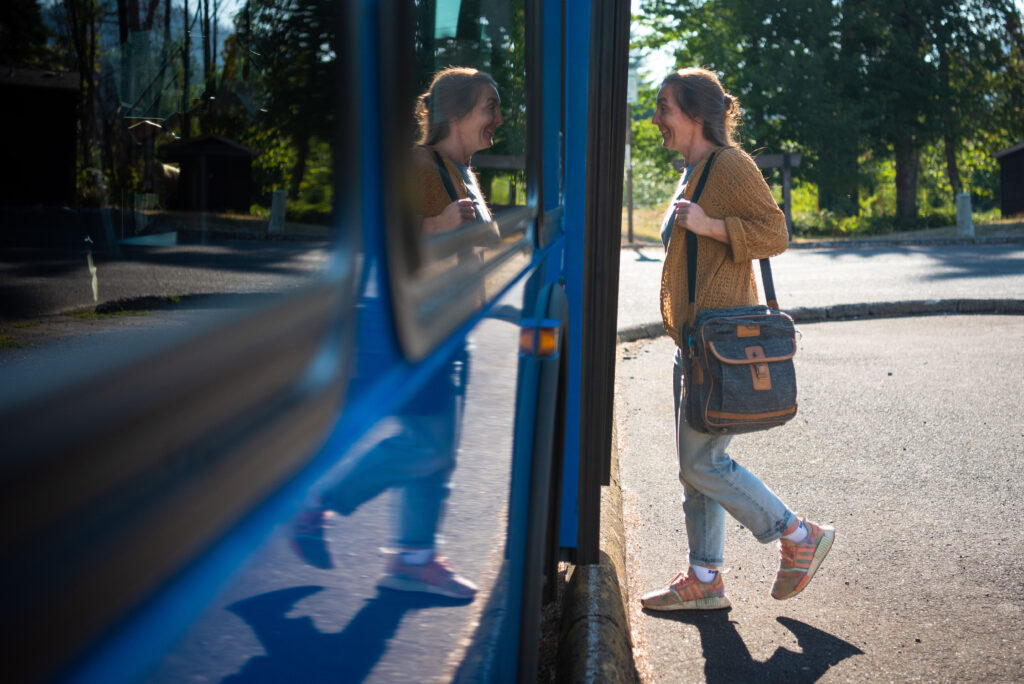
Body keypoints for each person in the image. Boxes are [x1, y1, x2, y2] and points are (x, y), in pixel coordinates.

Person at [289, 67, 503, 601]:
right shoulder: (419, 166)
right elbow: (381, 237)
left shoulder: (457, 168)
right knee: (426, 448)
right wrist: (435, 228)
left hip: (451, 327)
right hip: (422, 329)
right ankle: (320, 507)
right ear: (455, 115)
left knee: (437, 451)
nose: (498, 120)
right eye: (488, 109)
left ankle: (414, 557)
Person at [640, 67, 834, 611]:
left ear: (696, 115)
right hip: (697, 345)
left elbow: (775, 232)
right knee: (695, 470)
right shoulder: (694, 170)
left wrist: (710, 226)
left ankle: (798, 536)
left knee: (701, 464)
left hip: (722, 345)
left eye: (665, 108)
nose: (657, 119)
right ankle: (705, 578)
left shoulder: (730, 165)